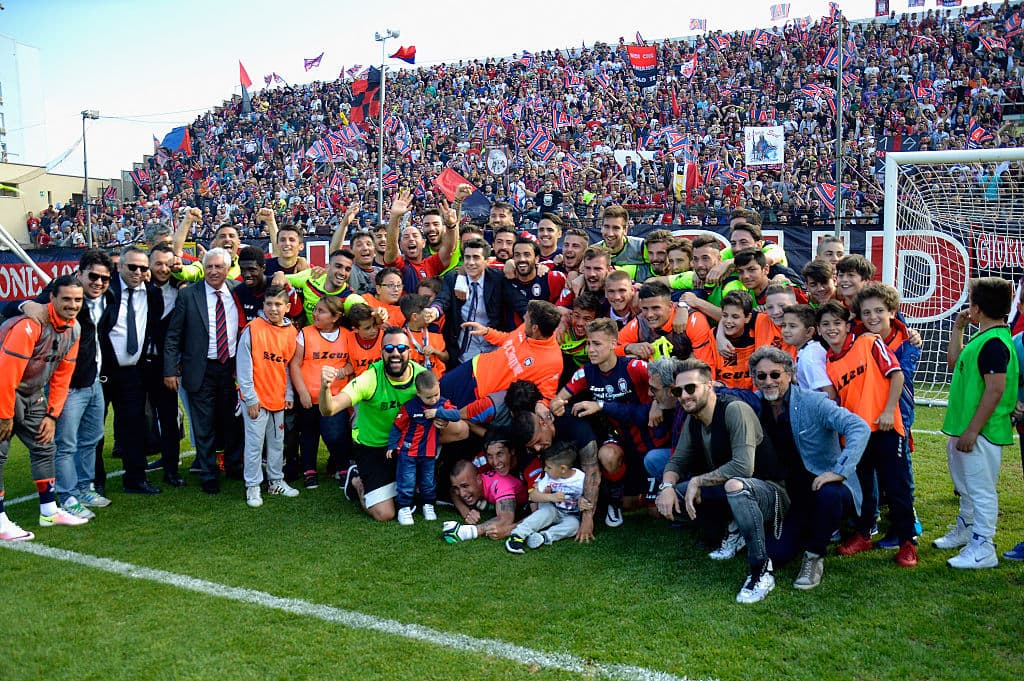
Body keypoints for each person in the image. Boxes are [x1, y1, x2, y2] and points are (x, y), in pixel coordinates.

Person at [654, 358, 787, 604]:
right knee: (679, 494)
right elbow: (676, 462)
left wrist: (698, 481)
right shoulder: (693, 419)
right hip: (733, 491)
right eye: (678, 391)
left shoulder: (734, 410)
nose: (684, 395)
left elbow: (743, 467)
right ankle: (732, 528)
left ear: (710, 386)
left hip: (771, 492)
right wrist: (667, 487)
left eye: (691, 388)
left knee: (733, 486)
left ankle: (761, 570)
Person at [749, 347, 869, 591]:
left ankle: (815, 556)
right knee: (777, 555)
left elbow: (859, 427)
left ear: (790, 373)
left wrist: (840, 470)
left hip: (826, 486)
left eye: (775, 374)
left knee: (830, 493)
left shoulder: (814, 402)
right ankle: (808, 532)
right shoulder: (754, 407)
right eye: (761, 376)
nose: (768, 381)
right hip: (792, 496)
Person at [9, 249, 116, 510]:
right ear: (79, 273)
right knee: (66, 443)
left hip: (95, 382)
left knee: (92, 439)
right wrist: (27, 304)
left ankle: (85, 488)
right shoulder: (63, 293)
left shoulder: (109, 297)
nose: (98, 282)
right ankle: (67, 496)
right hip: (67, 385)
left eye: (104, 278)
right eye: (93, 276)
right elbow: (15, 307)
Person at [816, 301, 918, 568]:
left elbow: (896, 376)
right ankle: (864, 534)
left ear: (848, 325)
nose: (831, 329)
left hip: (884, 426)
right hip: (857, 435)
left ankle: (907, 542)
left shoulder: (868, 341)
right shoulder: (829, 361)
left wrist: (887, 411)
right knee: (865, 489)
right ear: (818, 329)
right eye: (825, 324)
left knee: (896, 486)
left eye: (836, 323)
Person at [937, 278, 1018, 569]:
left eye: (970, 300)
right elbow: (953, 361)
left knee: (981, 490)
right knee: (967, 486)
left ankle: (984, 546)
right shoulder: (983, 338)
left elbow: (996, 389)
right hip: (964, 429)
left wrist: (973, 429)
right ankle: (967, 528)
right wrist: (958, 328)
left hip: (981, 432)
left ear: (977, 308)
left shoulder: (995, 344)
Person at [0, 275, 84, 539]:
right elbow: (6, 374)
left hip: (32, 393)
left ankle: (49, 511)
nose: (73, 305)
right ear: (52, 299)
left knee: (44, 445)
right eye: (67, 299)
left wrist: (52, 415)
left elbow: (62, 374)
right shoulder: (29, 325)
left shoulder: (74, 329)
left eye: (78, 300)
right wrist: (4, 415)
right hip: (4, 391)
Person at [319, 327, 428, 522]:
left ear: (410, 352)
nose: (395, 353)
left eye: (401, 348)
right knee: (385, 514)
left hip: (405, 446)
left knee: (457, 430)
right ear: (381, 353)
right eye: (389, 348)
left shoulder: (421, 377)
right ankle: (357, 481)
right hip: (372, 447)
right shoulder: (370, 378)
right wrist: (325, 387)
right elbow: (329, 410)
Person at [163, 247, 246, 495]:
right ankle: (209, 473)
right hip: (200, 369)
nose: (213, 271)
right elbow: (173, 335)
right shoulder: (189, 295)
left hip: (231, 369)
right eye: (208, 266)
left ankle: (234, 465)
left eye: (218, 266)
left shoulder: (237, 291)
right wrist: (169, 369)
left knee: (232, 423)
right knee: (204, 424)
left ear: (228, 268)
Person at [100, 245, 165, 495]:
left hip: (133, 372)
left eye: (142, 268)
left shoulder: (151, 293)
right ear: (120, 266)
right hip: (103, 370)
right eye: (132, 267)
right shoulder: (106, 288)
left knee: (134, 426)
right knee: (95, 429)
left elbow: (153, 326)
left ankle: (135, 479)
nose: (138, 272)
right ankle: (95, 482)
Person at [237, 285, 298, 508]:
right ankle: (252, 485)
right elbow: (243, 366)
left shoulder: (291, 332)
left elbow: (288, 366)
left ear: (287, 307)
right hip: (256, 398)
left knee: (276, 443)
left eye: (278, 304)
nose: (273, 308)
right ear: (263, 306)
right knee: (254, 445)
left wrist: (289, 393)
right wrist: (250, 398)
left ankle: (276, 481)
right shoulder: (253, 329)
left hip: (278, 397)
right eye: (269, 304)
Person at [440, 300, 564, 407]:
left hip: (481, 393)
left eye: (526, 318)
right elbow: (508, 339)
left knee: (443, 413)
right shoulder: (527, 328)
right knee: (436, 391)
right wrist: (487, 332)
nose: (524, 318)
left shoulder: (553, 362)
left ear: (535, 328)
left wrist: (543, 407)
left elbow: (545, 397)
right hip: (473, 367)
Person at [289, 297, 353, 488]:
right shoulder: (305, 333)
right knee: (308, 433)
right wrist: (302, 392)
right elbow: (295, 363)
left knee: (336, 434)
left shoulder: (347, 335)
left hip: (335, 397)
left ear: (335, 317)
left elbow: (353, 362)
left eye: (321, 311)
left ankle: (342, 467)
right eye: (315, 310)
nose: (315, 314)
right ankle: (310, 470)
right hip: (309, 396)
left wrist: (345, 370)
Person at [387, 371, 461, 525]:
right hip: (408, 452)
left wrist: (438, 412)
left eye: (436, 394)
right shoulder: (410, 407)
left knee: (428, 481)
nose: (433, 399)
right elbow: (397, 426)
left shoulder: (442, 404)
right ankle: (404, 507)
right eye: (429, 397)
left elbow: (456, 414)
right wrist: (392, 445)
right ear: (418, 393)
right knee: (407, 480)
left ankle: (428, 505)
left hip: (429, 453)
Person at [425, 238, 507, 367]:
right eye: (467, 257)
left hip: (492, 349)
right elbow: (443, 300)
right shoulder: (453, 278)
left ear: (486, 261)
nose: (470, 262)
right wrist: (434, 311)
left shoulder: (498, 279)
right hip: (462, 351)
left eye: (476, 257)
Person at [443, 431, 528, 542]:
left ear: (511, 452)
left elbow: (506, 520)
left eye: (500, 454)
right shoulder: (479, 466)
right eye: (490, 456)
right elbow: (454, 491)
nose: (495, 462)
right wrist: (466, 512)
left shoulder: (502, 484)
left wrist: (469, 531)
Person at [505, 443, 586, 553]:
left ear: (563, 468)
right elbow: (533, 495)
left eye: (549, 467)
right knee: (545, 512)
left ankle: (544, 536)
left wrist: (584, 501)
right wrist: (551, 497)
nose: (545, 469)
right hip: (553, 510)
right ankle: (517, 535)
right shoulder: (547, 477)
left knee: (574, 526)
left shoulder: (581, 479)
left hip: (570, 515)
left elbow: (588, 497)